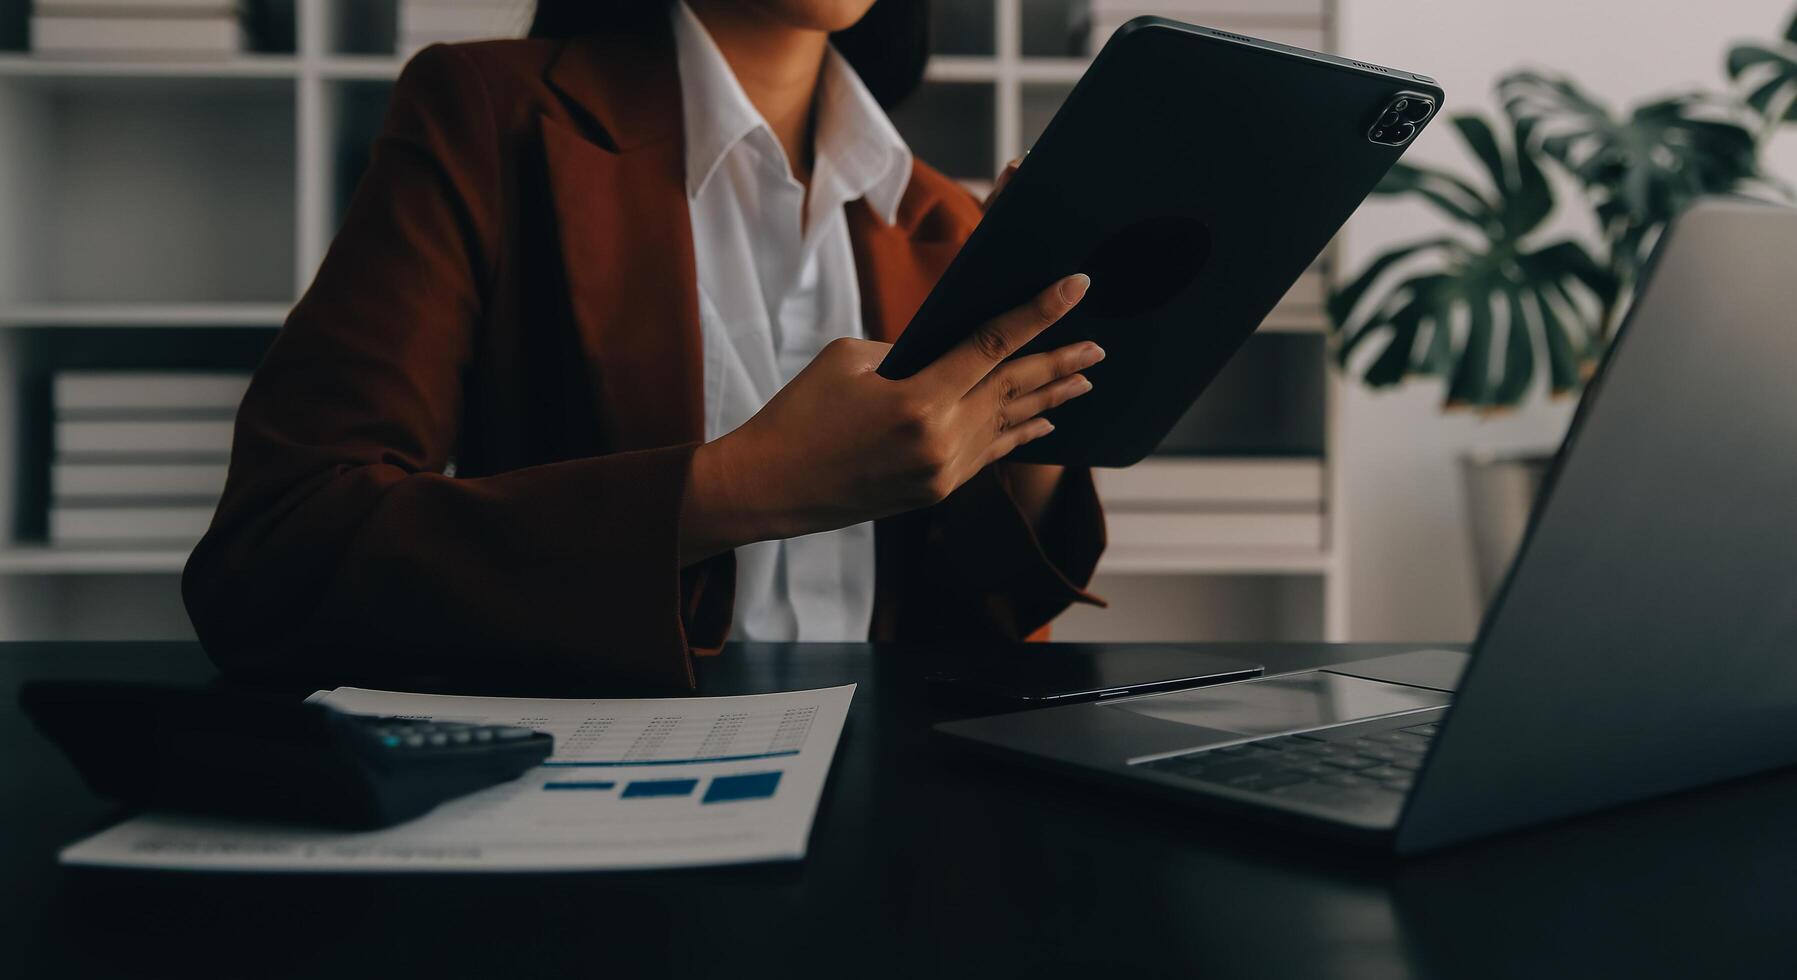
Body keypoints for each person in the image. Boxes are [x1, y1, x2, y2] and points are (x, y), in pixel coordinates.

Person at [182, 0, 1107, 689]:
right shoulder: (482, 116)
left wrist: (1045, 416)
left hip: (893, 821)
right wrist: (744, 487)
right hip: (576, 815)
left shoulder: (942, 222)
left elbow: (973, 623)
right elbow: (274, 562)